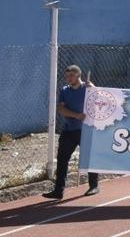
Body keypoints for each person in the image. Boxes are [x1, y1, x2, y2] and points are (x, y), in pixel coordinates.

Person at [43, 65, 99, 199]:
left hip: (85, 130)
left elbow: (99, 100)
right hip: (69, 130)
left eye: (71, 76)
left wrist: (94, 89)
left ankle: (94, 186)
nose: (68, 78)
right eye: (67, 76)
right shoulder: (65, 91)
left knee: (89, 158)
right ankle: (59, 190)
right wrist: (76, 115)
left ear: (78, 75)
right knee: (62, 159)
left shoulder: (87, 88)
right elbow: (61, 109)